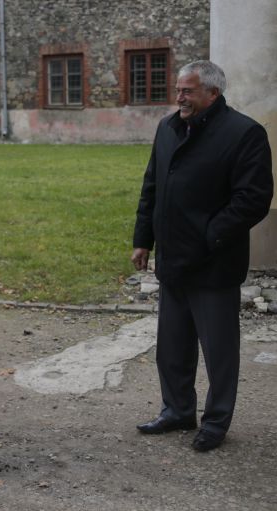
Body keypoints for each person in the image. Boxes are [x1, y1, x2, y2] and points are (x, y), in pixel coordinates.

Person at [132, 60, 273, 452]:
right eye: (178, 89)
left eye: (188, 91)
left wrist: (210, 236)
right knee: (172, 347)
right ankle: (177, 410)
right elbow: (151, 186)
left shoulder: (244, 133)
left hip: (214, 264)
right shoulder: (167, 128)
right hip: (172, 260)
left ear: (213, 93)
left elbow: (253, 198)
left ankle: (216, 422)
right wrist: (143, 239)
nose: (179, 97)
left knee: (219, 352)